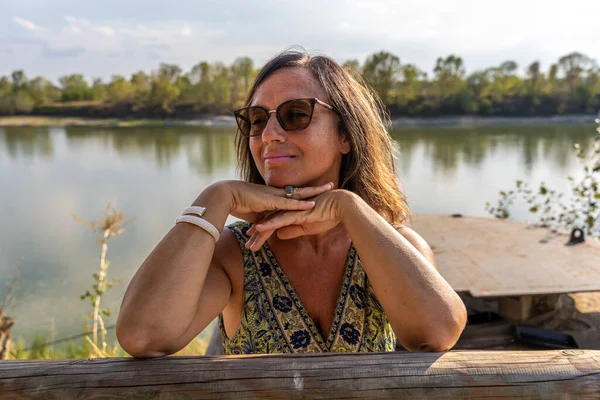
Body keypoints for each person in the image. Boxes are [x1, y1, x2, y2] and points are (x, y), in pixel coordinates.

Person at [116, 49, 467, 357]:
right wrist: (217, 197)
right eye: (256, 120)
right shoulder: (236, 253)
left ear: (346, 134)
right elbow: (143, 336)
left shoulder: (394, 245)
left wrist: (349, 208)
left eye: (296, 115)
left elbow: (437, 333)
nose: (269, 134)